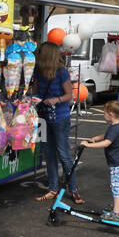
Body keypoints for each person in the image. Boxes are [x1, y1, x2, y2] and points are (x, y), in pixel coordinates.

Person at [33, 41, 82, 203]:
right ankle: (53, 189)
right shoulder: (38, 71)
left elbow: (70, 95)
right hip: (44, 117)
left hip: (60, 118)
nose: (37, 53)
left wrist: (56, 99)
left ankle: (73, 189)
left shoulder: (61, 72)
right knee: (49, 153)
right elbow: (35, 92)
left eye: (40, 51)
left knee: (63, 154)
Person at [80, 99, 119, 217]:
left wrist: (89, 145)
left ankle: (116, 213)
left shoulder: (115, 128)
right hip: (118, 162)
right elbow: (107, 135)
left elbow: (106, 142)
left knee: (117, 186)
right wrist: (96, 137)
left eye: (104, 112)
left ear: (110, 114)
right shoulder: (115, 125)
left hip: (117, 163)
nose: (103, 114)